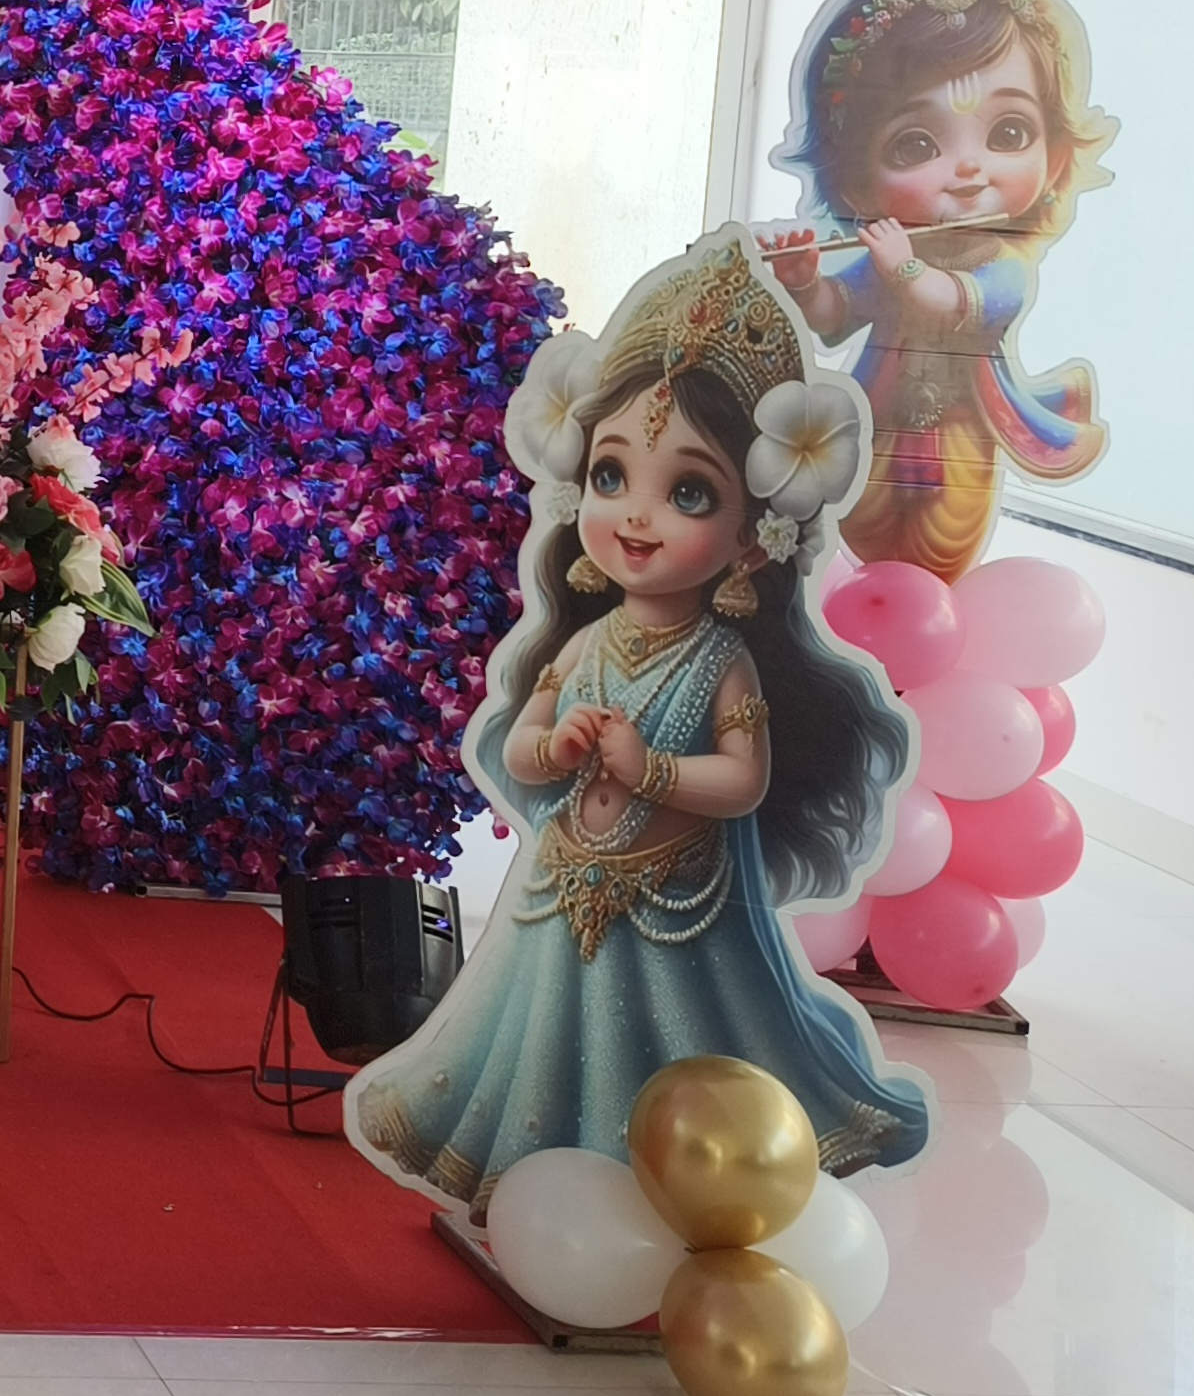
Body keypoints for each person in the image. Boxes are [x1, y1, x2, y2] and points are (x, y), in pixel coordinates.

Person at [349, 235, 930, 1219]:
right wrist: (558, 747)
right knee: (549, 1039)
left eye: (687, 493)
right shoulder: (581, 648)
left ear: (753, 534)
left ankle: (680, 1178)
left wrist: (649, 766)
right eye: (611, 476)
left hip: (687, 904)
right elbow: (525, 745)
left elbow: (739, 781)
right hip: (564, 887)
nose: (636, 518)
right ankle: (545, 1189)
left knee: (677, 1040)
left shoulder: (722, 660)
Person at [758, 0, 1132, 582]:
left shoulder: (1002, 263)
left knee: (944, 545)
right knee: (860, 525)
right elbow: (838, 317)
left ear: (1055, 158)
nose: (969, 170)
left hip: (963, 434)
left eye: (1010, 135)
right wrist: (807, 283)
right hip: (874, 427)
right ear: (859, 175)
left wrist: (901, 268)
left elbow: (955, 307)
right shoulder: (885, 240)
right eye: (917, 146)